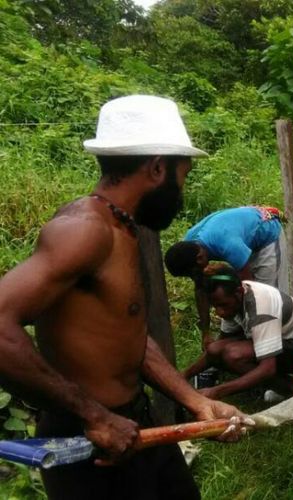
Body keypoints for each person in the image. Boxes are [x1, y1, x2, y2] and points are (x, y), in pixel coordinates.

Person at [0, 95, 251, 500]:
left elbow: (127, 337)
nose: (182, 191)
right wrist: (95, 416)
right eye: (182, 175)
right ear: (156, 167)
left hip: (136, 426)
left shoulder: (124, 229)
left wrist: (195, 401)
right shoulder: (84, 230)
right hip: (89, 445)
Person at [183, 266, 293, 400]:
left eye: (223, 305)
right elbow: (216, 350)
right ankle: (279, 386)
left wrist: (217, 392)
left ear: (238, 292)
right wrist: (183, 376)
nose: (219, 312)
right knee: (214, 349)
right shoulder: (233, 298)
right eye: (215, 306)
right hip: (277, 338)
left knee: (234, 355)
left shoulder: (261, 307)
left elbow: (268, 368)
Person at [164, 206, 285, 350]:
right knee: (231, 299)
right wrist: (206, 333)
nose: (195, 277)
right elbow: (201, 289)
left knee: (269, 298)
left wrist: (249, 325)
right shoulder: (188, 247)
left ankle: (273, 346)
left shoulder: (227, 244)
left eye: (195, 273)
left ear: (200, 258)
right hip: (241, 239)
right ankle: (233, 341)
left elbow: (250, 290)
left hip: (266, 235)